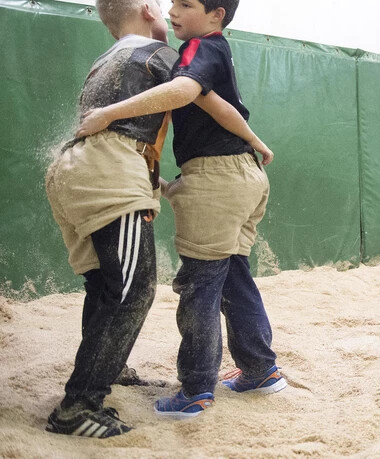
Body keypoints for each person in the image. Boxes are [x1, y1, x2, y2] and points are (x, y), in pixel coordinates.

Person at [44, 0, 263, 437]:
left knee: (104, 285)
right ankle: (78, 407)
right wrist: (255, 140)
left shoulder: (107, 58)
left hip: (69, 170)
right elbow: (202, 98)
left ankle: (111, 368)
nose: (173, 11)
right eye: (168, 5)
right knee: (134, 290)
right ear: (147, 10)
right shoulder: (163, 56)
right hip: (111, 169)